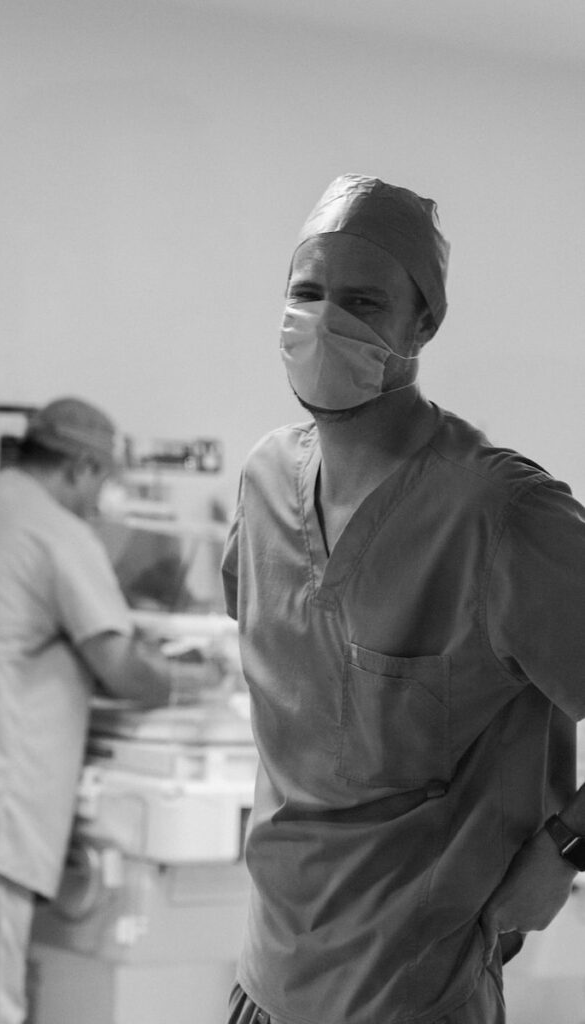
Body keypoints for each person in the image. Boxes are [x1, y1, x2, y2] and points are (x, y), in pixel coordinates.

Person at [222, 175, 585, 1024]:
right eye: (306, 294)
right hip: (266, 981)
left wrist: (564, 850)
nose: (324, 323)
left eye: (361, 302)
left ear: (422, 325)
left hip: (412, 993)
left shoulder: (499, 514)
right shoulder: (265, 482)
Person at [0, 396, 172, 1024]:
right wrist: (181, 678)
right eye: (102, 481)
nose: (99, 498)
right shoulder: (55, 533)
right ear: (82, 467)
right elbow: (121, 665)